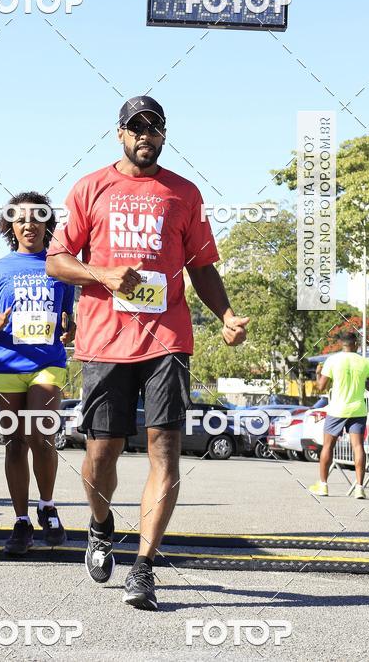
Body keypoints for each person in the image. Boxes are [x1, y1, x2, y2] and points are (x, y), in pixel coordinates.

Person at [46, 95, 248, 611]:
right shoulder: (90, 187)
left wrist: (225, 315)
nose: (145, 135)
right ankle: (100, 524)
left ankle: (144, 566)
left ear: (164, 134)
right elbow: (57, 260)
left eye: (153, 128)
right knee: (100, 455)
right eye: (136, 127)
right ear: (119, 133)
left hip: (168, 341)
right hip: (105, 342)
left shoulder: (184, 193)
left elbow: (201, 266)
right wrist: (102, 273)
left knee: (164, 450)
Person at [0, 191, 76, 555]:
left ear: (48, 224)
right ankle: (21, 521)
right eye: (21, 218)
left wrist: (70, 330)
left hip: (46, 363)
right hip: (5, 364)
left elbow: (68, 321)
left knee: (40, 432)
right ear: (10, 226)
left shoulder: (60, 267)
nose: (29, 224)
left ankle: (47, 506)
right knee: (14, 442)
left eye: (37, 217)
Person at [309, 331, 369, 500]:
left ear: (341, 344)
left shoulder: (332, 360)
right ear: (356, 344)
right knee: (358, 447)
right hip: (358, 410)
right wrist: (363, 382)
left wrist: (318, 374)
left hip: (337, 410)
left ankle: (323, 486)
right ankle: (359, 488)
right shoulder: (365, 362)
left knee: (327, 446)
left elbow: (321, 387)